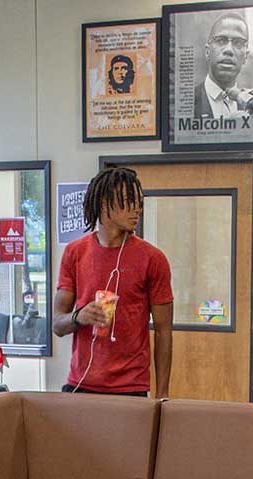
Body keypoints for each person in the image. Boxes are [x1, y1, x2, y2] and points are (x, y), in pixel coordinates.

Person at [53, 165, 173, 396]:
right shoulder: (74, 253)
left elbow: (163, 331)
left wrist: (162, 396)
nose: (137, 209)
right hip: (81, 384)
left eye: (139, 202)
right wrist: (80, 317)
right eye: (129, 201)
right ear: (104, 204)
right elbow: (57, 325)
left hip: (131, 388)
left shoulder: (153, 259)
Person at [191, 13, 253, 125]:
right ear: (207, 52)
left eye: (238, 43)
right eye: (221, 40)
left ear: (245, 56)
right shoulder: (185, 103)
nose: (229, 50)